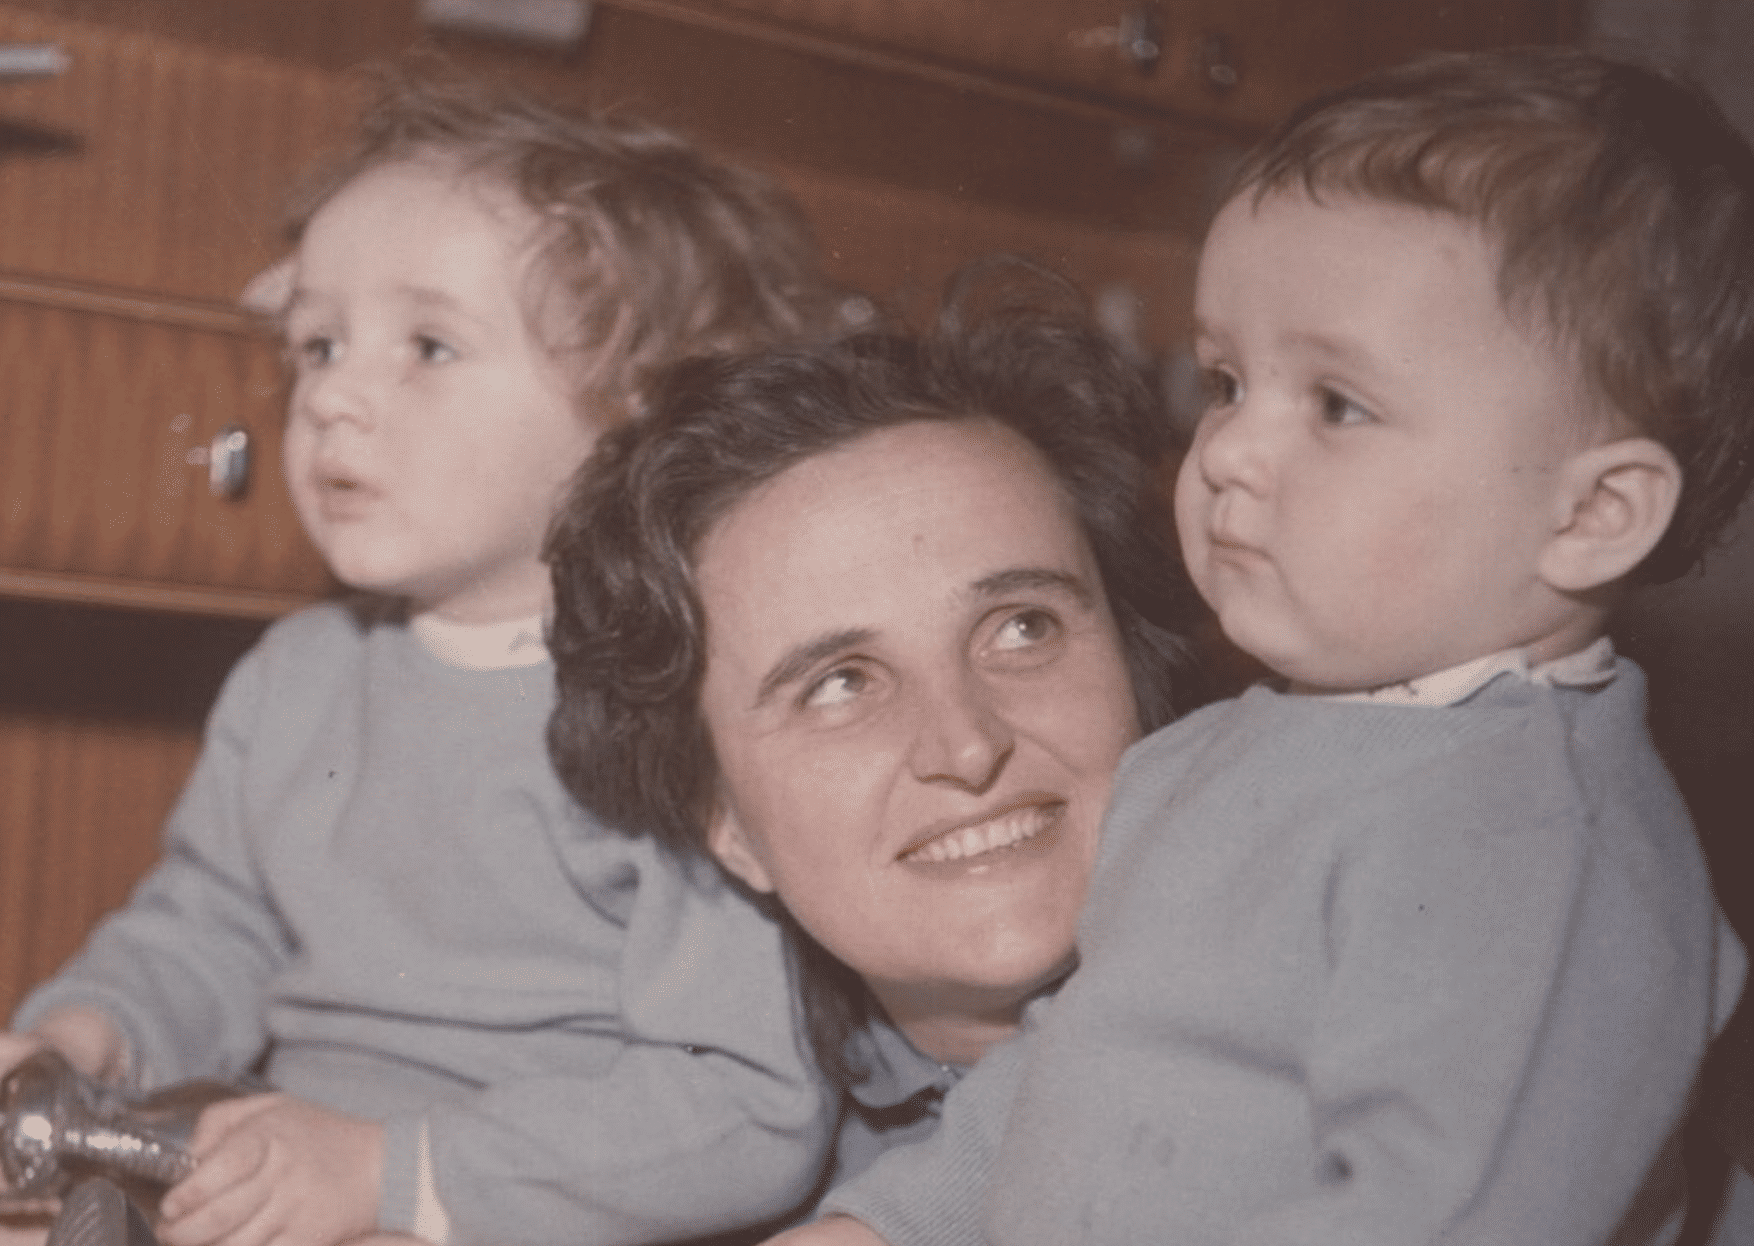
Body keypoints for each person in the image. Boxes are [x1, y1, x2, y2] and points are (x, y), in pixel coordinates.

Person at [788, 46, 1754, 1246]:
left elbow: (1459, 1214)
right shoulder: (1206, 758)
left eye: (1336, 404)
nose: (1231, 451)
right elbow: (1080, 1072)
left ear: (1590, 513)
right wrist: (881, 1226)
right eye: (1227, 383)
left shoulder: (1538, 837)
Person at [0, 65, 849, 1246]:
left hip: (529, 1206)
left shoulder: (678, 705)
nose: (332, 398)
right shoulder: (297, 675)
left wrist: (389, 1172)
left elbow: (748, 1107)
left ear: (642, 413)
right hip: (281, 1179)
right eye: (318, 345)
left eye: (429, 347)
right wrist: (94, 1029)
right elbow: (212, 924)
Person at [543, 267, 1209, 1202]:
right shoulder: (673, 1173)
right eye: (841, 684)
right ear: (723, 819)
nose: (967, 746)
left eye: (1022, 627)